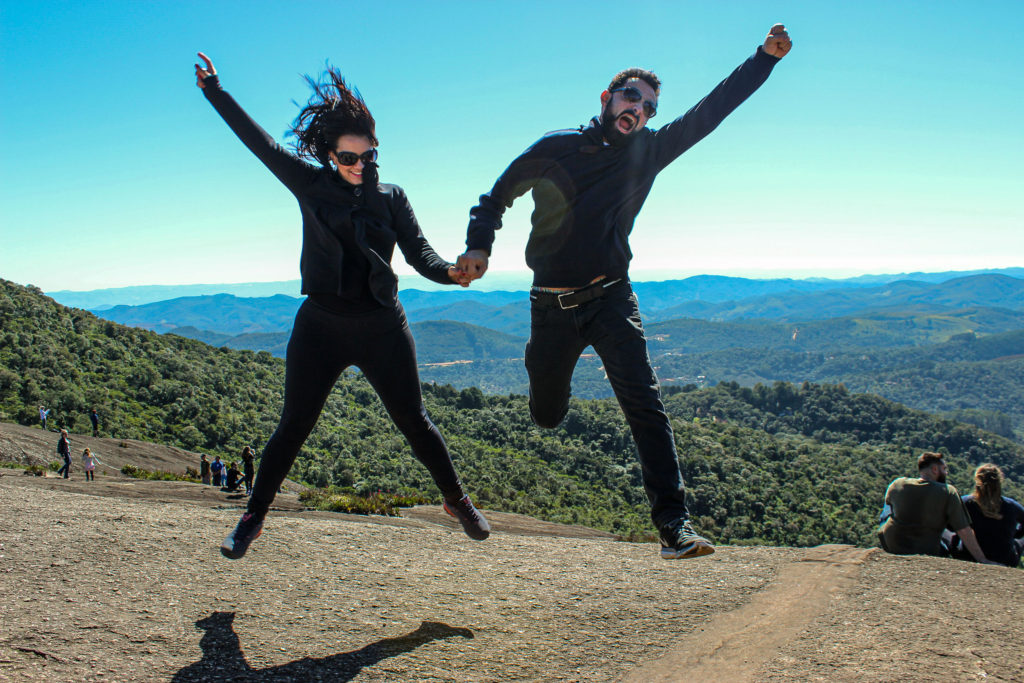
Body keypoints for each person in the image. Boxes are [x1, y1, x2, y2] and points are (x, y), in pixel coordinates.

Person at [454, 25, 792, 559]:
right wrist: (479, 247)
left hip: (612, 297)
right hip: (551, 307)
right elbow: (494, 198)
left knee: (645, 404)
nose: (641, 108)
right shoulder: (554, 148)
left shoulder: (649, 153)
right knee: (546, 414)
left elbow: (713, 110)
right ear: (608, 98)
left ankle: (673, 527)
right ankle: (541, 368)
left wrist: (764, 60)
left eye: (651, 105)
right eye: (633, 95)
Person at [194, 52, 489, 560]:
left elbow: (419, 253)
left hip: (381, 324)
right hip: (322, 326)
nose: (358, 167)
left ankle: (455, 499)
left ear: (375, 151)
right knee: (294, 424)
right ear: (331, 155)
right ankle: (254, 516)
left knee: (414, 419)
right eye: (348, 158)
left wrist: (450, 273)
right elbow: (259, 143)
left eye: (367, 157)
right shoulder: (310, 185)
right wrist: (216, 91)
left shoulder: (393, 197)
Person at [879, 452, 996, 564]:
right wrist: (982, 559)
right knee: (947, 534)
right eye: (944, 469)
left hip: (892, 544)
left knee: (887, 509)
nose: (946, 473)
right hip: (925, 549)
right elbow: (964, 530)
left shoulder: (898, 483)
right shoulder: (948, 492)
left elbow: (888, 505)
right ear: (935, 469)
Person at [959, 464, 1024, 567]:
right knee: (1020, 541)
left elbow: (951, 525)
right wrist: (1015, 534)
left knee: (954, 532)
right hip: (1007, 560)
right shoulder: (1012, 506)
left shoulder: (965, 503)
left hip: (969, 557)